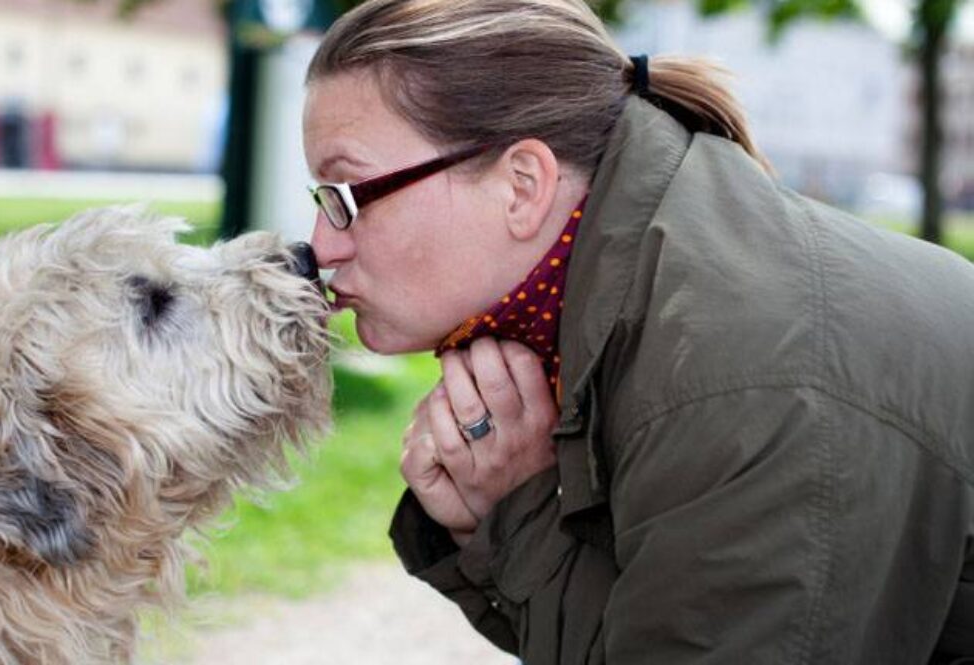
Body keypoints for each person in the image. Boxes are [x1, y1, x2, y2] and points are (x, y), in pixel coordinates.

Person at [302, 0, 974, 662]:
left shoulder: (736, 381)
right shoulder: (626, 300)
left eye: (347, 196)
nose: (321, 246)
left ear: (522, 185)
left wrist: (521, 515)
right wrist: (510, 516)